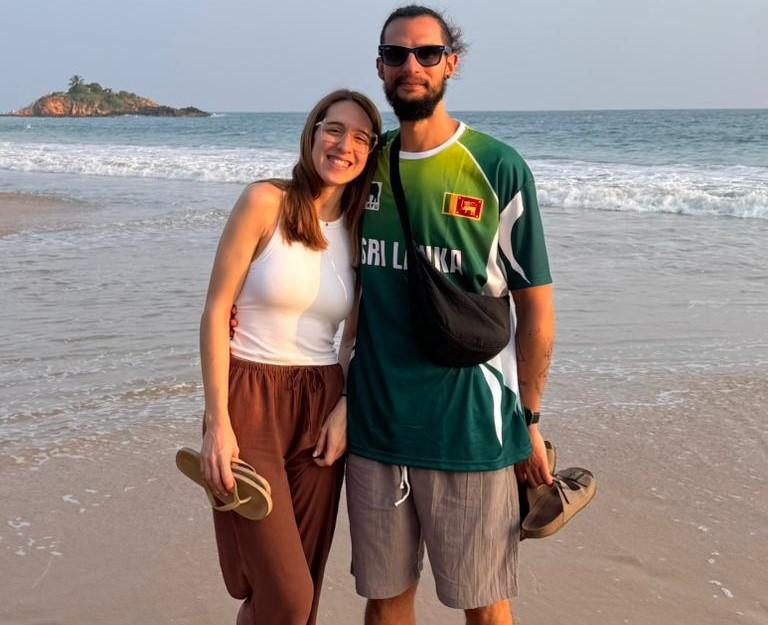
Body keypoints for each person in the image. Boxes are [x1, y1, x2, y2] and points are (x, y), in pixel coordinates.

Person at [345, 6, 556, 625]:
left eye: (427, 53)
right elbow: (318, 257)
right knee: (384, 604)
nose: (411, 65)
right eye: (396, 55)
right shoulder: (363, 164)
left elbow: (536, 306)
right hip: (376, 430)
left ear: (451, 64)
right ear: (379, 66)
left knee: (484, 605)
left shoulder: (496, 166)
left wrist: (531, 418)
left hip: (471, 430)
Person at [198, 89, 382, 625]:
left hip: (321, 407)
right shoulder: (264, 202)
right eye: (333, 129)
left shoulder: (359, 230)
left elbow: (353, 339)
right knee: (285, 596)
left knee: (302, 592)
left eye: (361, 138)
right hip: (250, 399)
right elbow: (215, 312)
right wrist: (218, 423)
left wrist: (346, 405)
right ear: (311, 132)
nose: (343, 145)